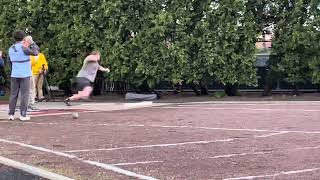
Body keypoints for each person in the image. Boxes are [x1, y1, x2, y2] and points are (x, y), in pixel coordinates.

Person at [8, 31, 39, 121]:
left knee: (13, 94)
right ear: (23, 37)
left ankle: (11, 114)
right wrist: (32, 43)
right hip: (25, 74)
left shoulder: (11, 48)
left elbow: (9, 62)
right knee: (25, 94)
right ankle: (23, 114)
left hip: (14, 74)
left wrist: (13, 70)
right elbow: (35, 52)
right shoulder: (24, 47)